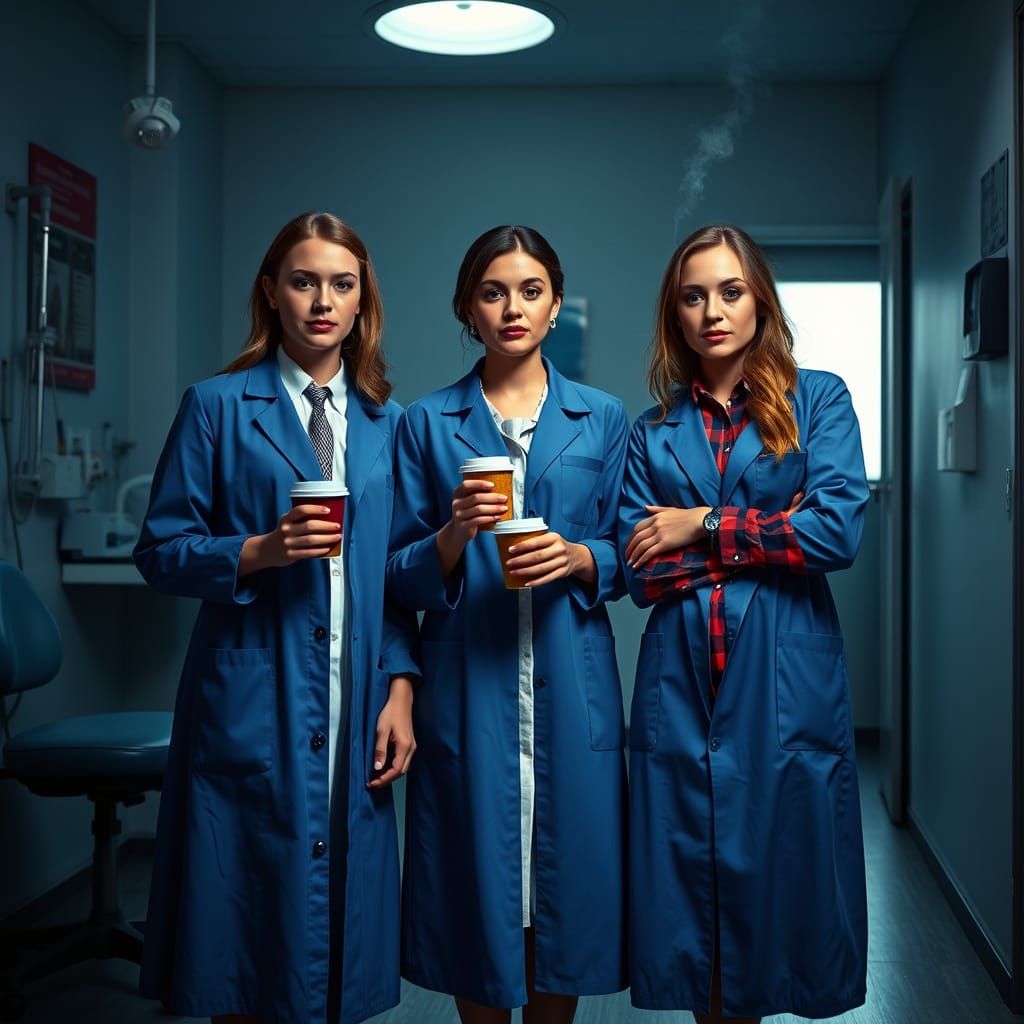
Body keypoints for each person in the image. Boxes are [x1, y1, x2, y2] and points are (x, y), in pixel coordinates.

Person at [134, 212, 419, 1024]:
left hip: (355, 689)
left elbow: (398, 578)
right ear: (271, 292)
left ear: (363, 302)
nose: (322, 301)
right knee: (243, 917)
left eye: (341, 284)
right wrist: (258, 548)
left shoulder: (384, 425)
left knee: (340, 910)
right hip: (253, 689)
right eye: (303, 281)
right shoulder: (217, 408)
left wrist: (400, 688)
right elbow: (161, 550)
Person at [620, 224, 869, 1023]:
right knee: (696, 897)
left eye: (730, 291)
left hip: (784, 680)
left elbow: (835, 532)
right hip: (682, 681)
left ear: (760, 299)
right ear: (675, 313)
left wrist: (700, 525)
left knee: (778, 885)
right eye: (694, 296)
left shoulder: (819, 398)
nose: (713, 311)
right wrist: (766, 532)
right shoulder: (650, 430)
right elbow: (638, 570)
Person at [387, 225, 629, 1024]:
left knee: (566, 882)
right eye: (493, 292)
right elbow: (392, 574)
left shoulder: (602, 418)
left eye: (530, 291)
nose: (512, 308)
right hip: (467, 684)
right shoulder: (425, 424)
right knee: (473, 883)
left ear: (556, 305)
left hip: (573, 676)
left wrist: (580, 558)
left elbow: (631, 549)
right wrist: (453, 536)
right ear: (468, 308)